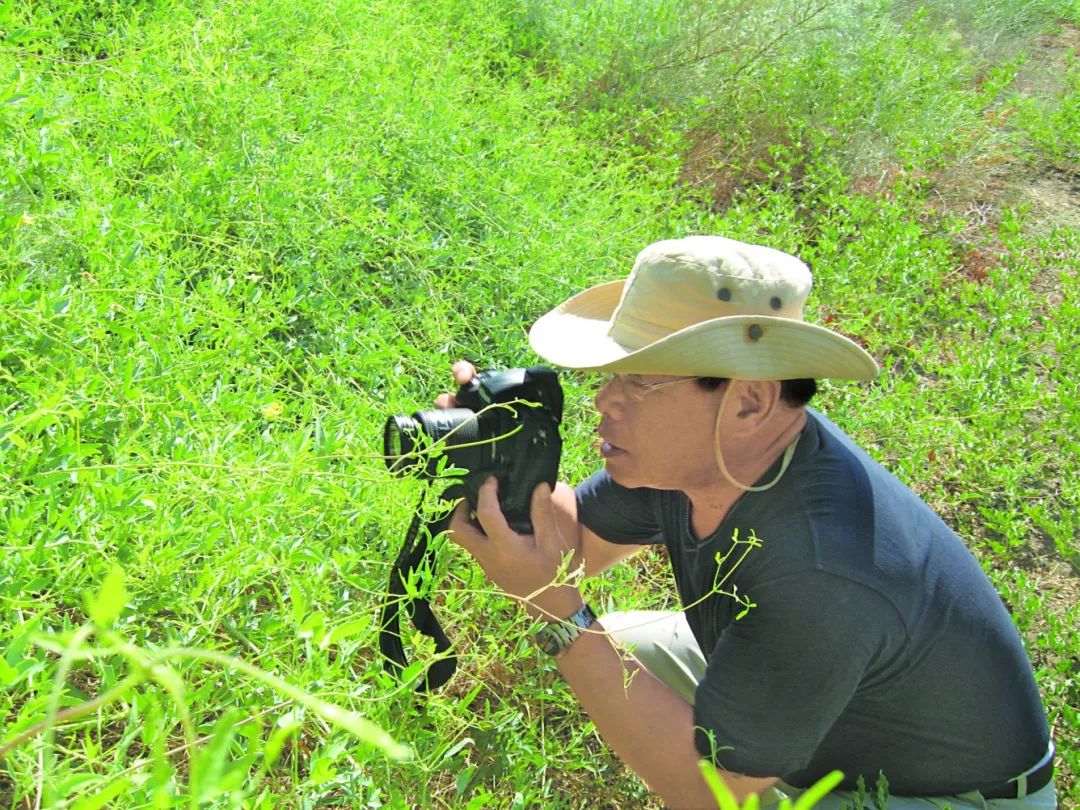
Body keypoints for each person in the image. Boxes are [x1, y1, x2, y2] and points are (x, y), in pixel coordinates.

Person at [443, 236, 1056, 809]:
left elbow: (711, 792)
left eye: (639, 379)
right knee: (628, 645)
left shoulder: (822, 567)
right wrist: (498, 465)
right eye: (611, 375)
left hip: (933, 795)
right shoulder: (710, 458)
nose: (605, 399)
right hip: (828, 723)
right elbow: (578, 543)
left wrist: (560, 612)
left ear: (747, 400)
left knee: (605, 656)